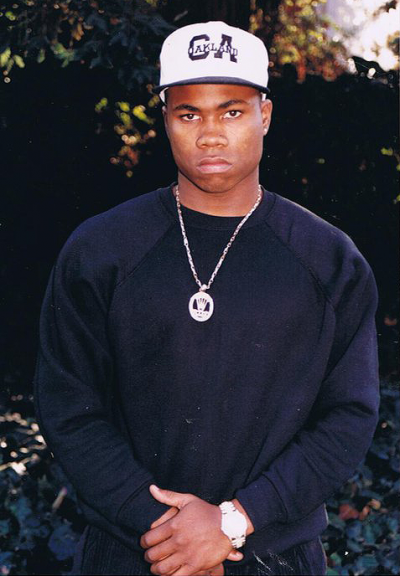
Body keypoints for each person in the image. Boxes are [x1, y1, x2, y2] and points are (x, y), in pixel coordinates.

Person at [34, 21, 380, 576]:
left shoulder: (328, 260)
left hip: (274, 553)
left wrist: (232, 523)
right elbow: (69, 406)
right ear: (165, 118)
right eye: (189, 114)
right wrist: (173, 536)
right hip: (130, 551)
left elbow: (348, 415)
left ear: (265, 115)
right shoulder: (101, 251)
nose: (211, 134)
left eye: (232, 111)